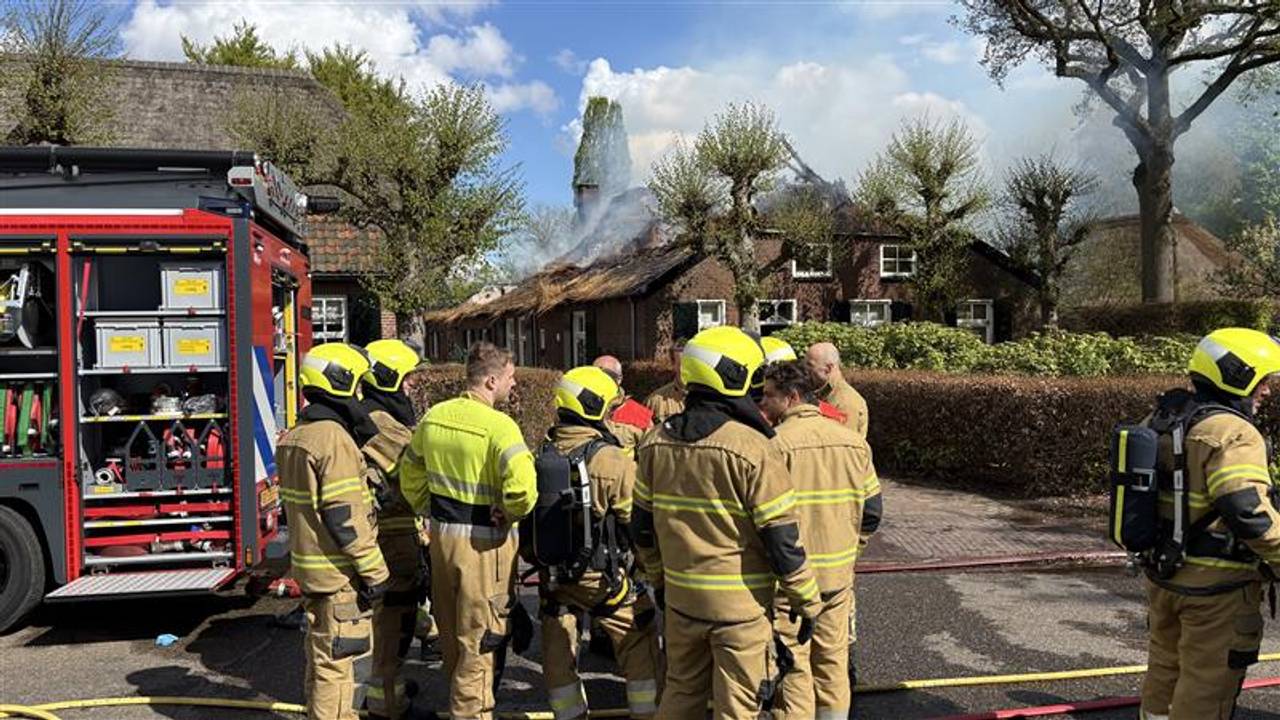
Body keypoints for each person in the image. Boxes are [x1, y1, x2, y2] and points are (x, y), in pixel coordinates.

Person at [632, 325, 822, 719]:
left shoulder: (654, 443)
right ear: (734, 377)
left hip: (683, 603)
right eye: (753, 378)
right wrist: (807, 601)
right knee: (737, 707)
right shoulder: (754, 447)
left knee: (680, 695)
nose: (757, 389)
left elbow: (641, 528)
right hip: (740, 609)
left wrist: (661, 581)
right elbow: (782, 538)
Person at [1138, 329, 1280, 720]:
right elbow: (1248, 512)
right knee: (1206, 686)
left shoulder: (1161, 419)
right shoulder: (1233, 433)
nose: (1266, 391)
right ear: (1238, 374)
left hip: (1165, 578)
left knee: (1165, 671)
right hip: (1217, 592)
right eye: (1264, 380)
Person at [399, 342, 537, 720]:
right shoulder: (500, 427)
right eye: (510, 378)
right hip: (485, 549)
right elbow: (524, 491)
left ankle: (463, 704)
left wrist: (431, 510)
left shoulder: (434, 418)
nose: (514, 385)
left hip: (443, 541)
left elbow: (409, 475)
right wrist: (508, 512)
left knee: (453, 635)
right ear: (491, 380)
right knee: (481, 641)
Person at [536, 366, 662, 720]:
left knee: (558, 641)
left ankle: (569, 713)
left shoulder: (544, 451)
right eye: (608, 408)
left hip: (554, 578)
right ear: (594, 408)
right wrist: (655, 574)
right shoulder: (610, 459)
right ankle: (647, 712)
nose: (611, 415)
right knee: (640, 633)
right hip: (602, 578)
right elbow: (637, 523)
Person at [758, 361, 882, 720]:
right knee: (833, 666)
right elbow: (872, 511)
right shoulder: (854, 443)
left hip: (791, 585)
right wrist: (852, 549)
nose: (763, 403)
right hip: (838, 580)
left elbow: (765, 520)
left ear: (792, 397)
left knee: (794, 668)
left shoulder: (775, 447)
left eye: (769, 395)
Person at [278, 343, 389, 720]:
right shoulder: (333, 438)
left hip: (312, 572)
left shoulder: (298, 435)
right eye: (357, 385)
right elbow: (346, 518)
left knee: (322, 663)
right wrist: (376, 572)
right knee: (339, 672)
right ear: (340, 381)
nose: (360, 395)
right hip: (340, 576)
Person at [357, 339, 428, 720]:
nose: (411, 388)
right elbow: (416, 470)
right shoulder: (381, 425)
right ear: (387, 380)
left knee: (399, 617)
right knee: (393, 621)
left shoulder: (376, 415)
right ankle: (387, 703)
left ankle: (390, 688)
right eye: (407, 380)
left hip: (395, 531)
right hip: (391, 535)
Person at [804, 342, 868, 439]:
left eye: (810, 365)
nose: (805, 370)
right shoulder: (822, 392)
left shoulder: (846, 402)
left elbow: (843, 445)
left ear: (828, 368)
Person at [593, 355, 653, 454]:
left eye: (607, 374)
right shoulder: (577, 409)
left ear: (619, 379)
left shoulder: (640, 415)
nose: (601, 379)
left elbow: (650, 458)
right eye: (594, 374)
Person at [643, 338, 687, 423]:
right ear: (673, 365)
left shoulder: (712, 401)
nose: (688, 370)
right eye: (682, 365)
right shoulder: (655, 402)